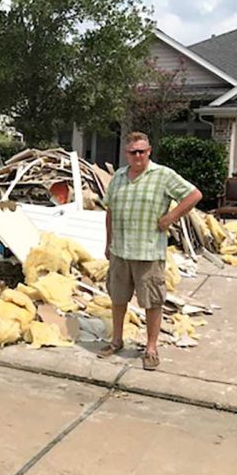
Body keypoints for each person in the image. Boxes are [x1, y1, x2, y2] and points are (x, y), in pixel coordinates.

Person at [98, 132, 202, 370]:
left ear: (149, 151)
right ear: (127, 154)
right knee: (118, 297)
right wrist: (108, 243)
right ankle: (116, 341)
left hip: (148, 252)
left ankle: (151, 348)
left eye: (141, 151)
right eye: (133, 152)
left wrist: (170, 217)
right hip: (121, 251)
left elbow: (194, 195)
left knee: (152, 301)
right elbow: (110, 212)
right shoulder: (118, 177)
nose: (137, 156)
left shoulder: (163, 175)